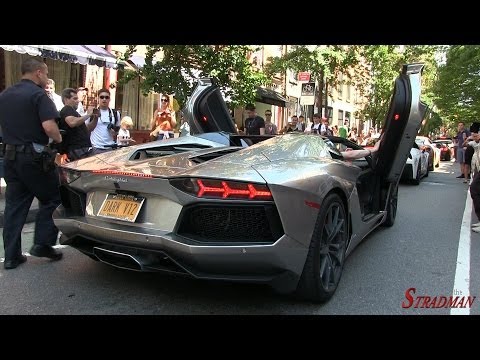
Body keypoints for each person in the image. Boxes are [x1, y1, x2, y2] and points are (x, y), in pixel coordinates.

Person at [0, 57, 63, 269]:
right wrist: (59, 139)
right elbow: (49, 127)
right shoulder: (38, 95)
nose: (46, 78)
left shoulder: (5, 94)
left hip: (9, 156)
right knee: (53, 197)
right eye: (45, 74)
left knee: (14, 206)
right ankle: (43, 244)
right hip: (33, 157)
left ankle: (11, 257)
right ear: (38, 72)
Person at [59, 87, 97, 161]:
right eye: (75, 98)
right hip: (76, 149)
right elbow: (72, 123)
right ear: (66, 99)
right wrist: (88, 115)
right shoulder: (66, 109)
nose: (78, 101)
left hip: (84, 148)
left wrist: (96, 118)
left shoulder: (75, 113)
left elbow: (88, 128)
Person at [86, 88, 121, 155]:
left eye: (106, 97)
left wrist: (115, 132)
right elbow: (86, 128)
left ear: (109, 99)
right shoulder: (92, 112)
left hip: (110, 147)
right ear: (98, 99)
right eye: (102, 97)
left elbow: (117, 130)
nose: (104, 99)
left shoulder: (115, 113)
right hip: (96, 147)